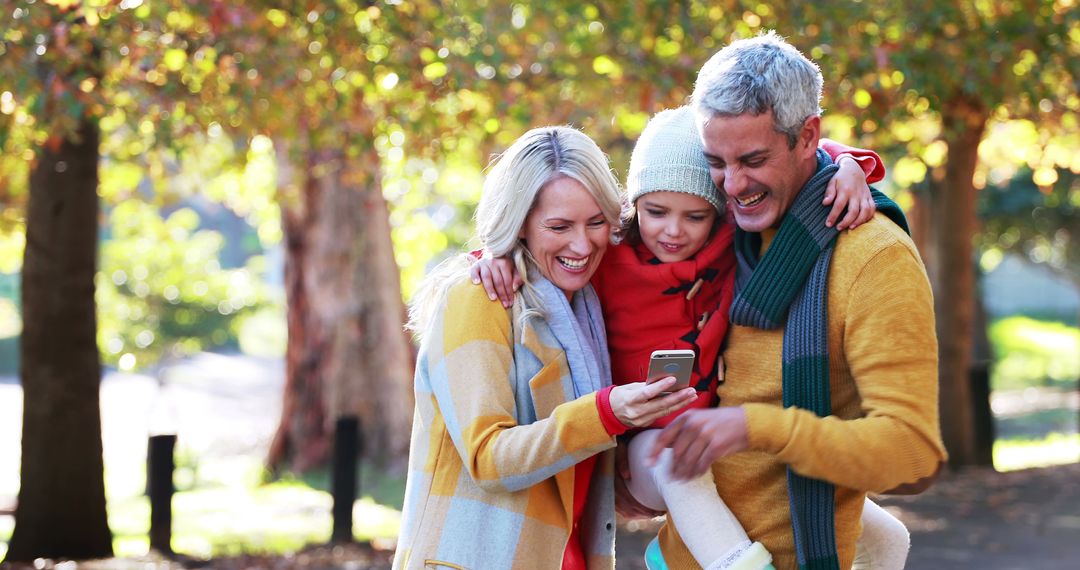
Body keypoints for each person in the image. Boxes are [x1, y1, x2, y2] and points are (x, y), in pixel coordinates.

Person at [470, 108, 903, 570]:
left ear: (718, 213)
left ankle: (678, 551)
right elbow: (546, 248)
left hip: (724, 434)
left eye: (695, 216)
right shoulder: (609, 257)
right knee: (681, 466)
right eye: (656, 212)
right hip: (646, 449)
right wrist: (493, 255)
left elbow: (792, 165)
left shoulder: (732, 242)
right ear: (634, 206)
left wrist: (848, 167)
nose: (673, 231)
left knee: (887, 535)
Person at [645, 31, 947, 570]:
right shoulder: (713, 226)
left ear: (808, 137)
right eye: (716, 160)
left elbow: (914, 456)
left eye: (753, 159)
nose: (732, 186)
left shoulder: (875, 258)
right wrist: (496, 254)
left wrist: (756, 427)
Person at [393, 126, 700, 570]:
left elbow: (711, 163)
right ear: (517, 223)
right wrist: (605, 413)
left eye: (597, 223)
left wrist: (841, 160)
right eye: (558, 226)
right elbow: (488, 458)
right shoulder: (478, 297)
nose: (582, 244)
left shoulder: (585, 302)